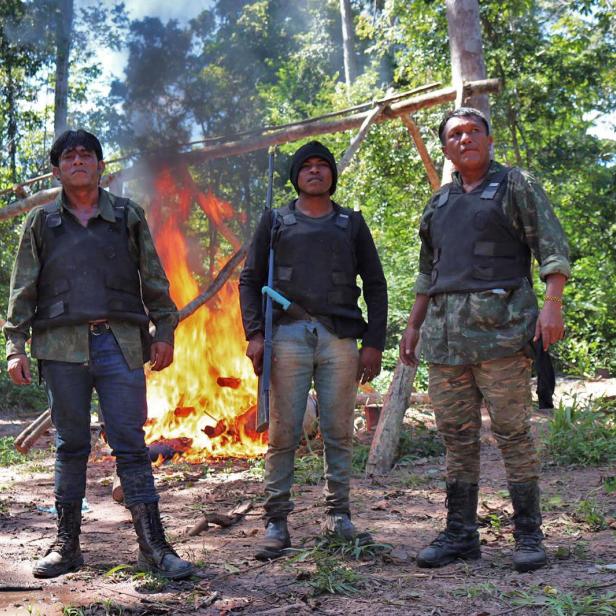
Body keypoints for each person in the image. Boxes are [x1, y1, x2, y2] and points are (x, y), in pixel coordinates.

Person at [3, 129, 193, 580]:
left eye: (86, 154)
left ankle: (155, 548)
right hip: (61, 346)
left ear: (100, 165)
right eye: (68, 157)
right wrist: (14, 347)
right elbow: (22, 290)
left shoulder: (127, 216)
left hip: (120, 343)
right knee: (71, 445)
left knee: (130, 444)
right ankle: (65, 547)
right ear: (56, 170)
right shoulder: (41, 223)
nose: (77, 161)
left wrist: (164, 330)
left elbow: (155, 279)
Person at [399, 108, 570, 573]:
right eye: (456, 134)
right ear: (446, 148)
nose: (466, 138)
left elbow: (552, 247)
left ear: (489, 140)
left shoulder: (516, 185)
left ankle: (529, 536)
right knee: (456, 438)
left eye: (474, 131)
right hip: (445, 341)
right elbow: (426, 272)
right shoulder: (438, 203)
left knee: (513, 435)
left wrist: (551, 304)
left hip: (502, 336)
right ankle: (460, 535)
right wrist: (414, 325)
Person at [239, 141, 387, 560]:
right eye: (308, 166)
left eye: (324, 166)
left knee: (339, 431)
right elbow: (249, 281)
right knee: (284, 432)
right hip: (286, 335)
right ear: (296, 176)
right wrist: (255, 334)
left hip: (340, 337)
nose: (316, 171)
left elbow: (375, 285)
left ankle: (338, 515)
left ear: (333, 176)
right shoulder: (276, 221)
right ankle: (277, 521)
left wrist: (374, 342)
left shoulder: (351, 223)